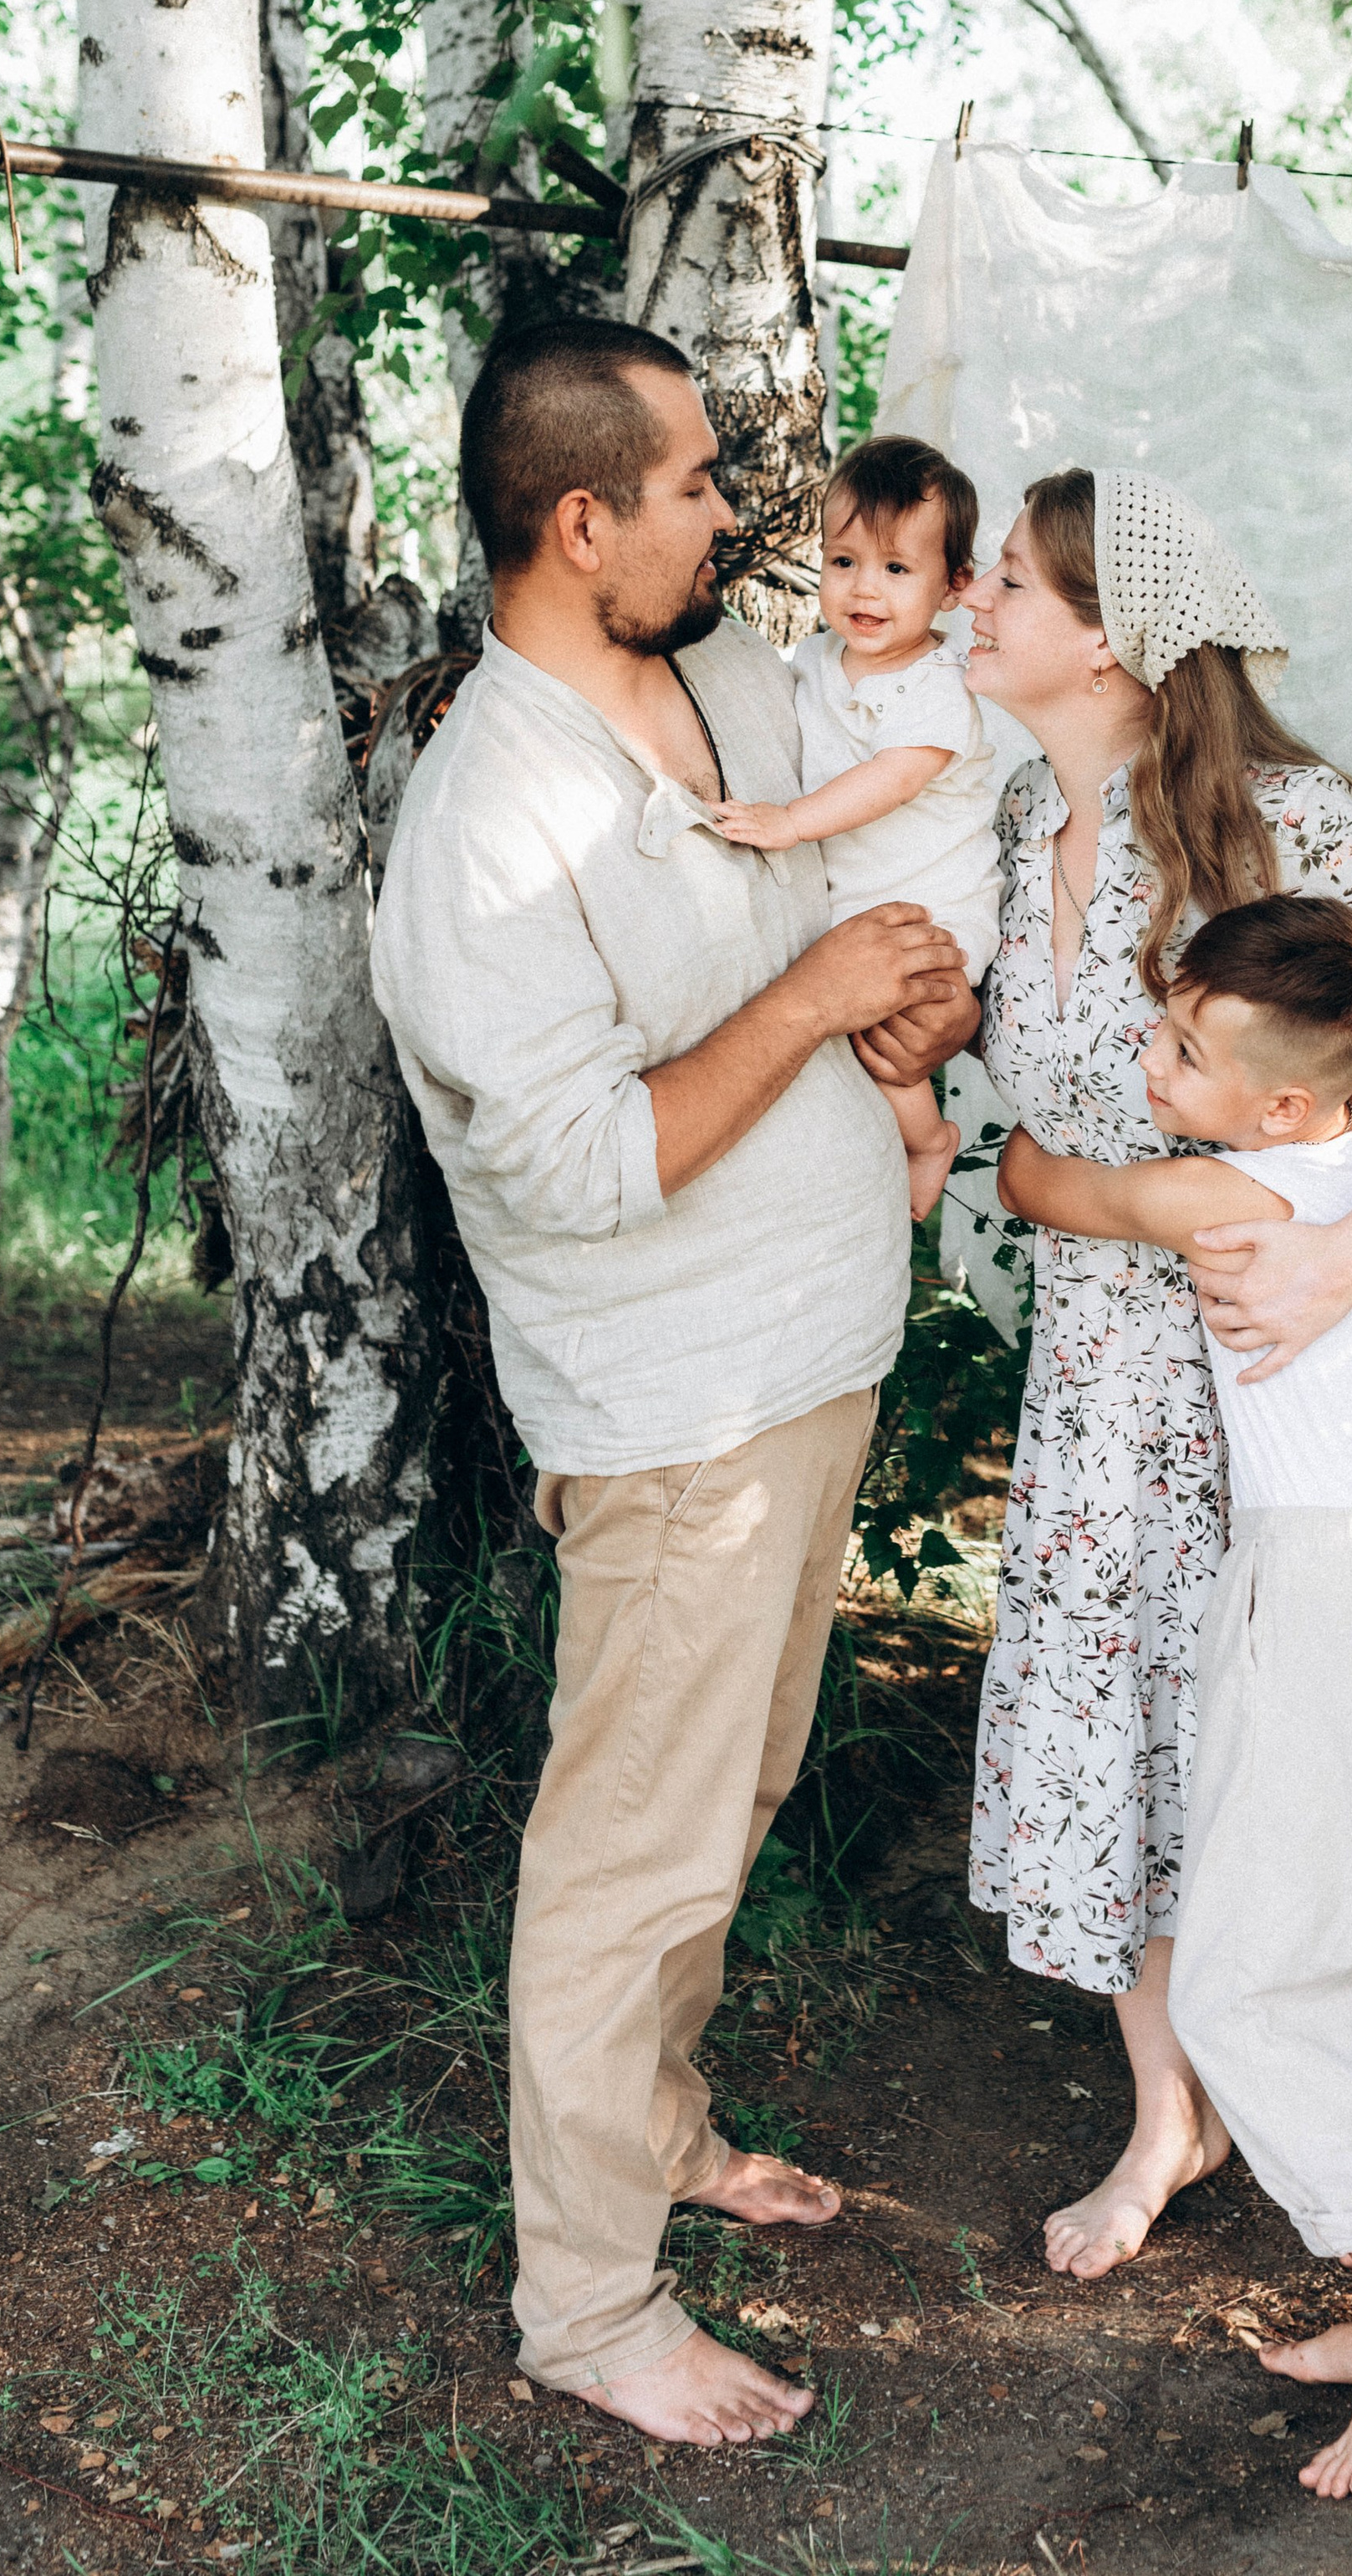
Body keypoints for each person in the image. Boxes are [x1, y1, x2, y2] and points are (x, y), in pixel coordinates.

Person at [370, 319, 975, 2451]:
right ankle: (590, 2301)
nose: (739, 512)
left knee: (720, 1801)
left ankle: (658, 2125)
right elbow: (583, 1162)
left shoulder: (711, 682)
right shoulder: (485, 821)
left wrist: (901, 995)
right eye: (702, 482)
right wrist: (814, 994)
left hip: (810, 1358)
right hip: (677, 1415)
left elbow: (829, 888)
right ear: (580, 516)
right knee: (629, 1847)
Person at [962, 463, 1352, 2282]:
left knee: (1289, 1755)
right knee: (1118, 1736)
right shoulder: (1001, 827)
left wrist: (1336, 1253)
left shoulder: (1297, 824)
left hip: (1282, 1371)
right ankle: (1172, 2111)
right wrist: (1117, 1188)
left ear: (1115, 640)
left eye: (1008, 581)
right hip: (1095, 1386)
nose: (971, 598)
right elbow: (1032, 1149)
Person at [998, 894, 1352, 2497]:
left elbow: (1043, 1180)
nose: (1150, 1066)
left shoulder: (1242, 1184)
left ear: (1282, 1106)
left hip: (1327, 1591)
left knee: (1242, 1988)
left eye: (1181, 1051)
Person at [711, 435, 999, 1220]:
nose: (865, 589)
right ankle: (892, 1149)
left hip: (932, 909)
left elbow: (892, 778)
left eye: (897, 569)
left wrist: (793, 823)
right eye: (845, 562)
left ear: (953, 586)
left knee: (886, 1045)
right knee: (839, 1032)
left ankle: (927, 1139)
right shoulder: (814, 657)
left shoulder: (939, 687)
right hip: (856, 901)